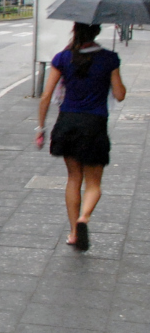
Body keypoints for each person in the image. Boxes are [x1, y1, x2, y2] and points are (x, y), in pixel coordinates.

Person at [37, 22, 127, 251]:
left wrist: (40, 128)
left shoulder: (62, 58)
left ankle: (75, 233)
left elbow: (46, 95)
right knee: (94, 183)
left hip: (67, 123)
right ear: (97, 32)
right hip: (94, 124)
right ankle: (84, 218)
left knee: (73, 179)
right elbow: (120, 94)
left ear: (74, 31)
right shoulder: (109, 58)